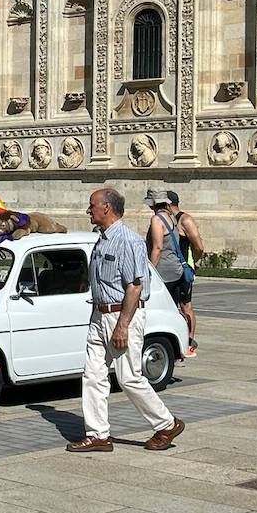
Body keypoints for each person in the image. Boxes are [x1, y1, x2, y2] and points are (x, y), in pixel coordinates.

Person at [68, 187, 184, 453]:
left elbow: (135, 286)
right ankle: (98, 434)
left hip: (122, 314)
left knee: (129, 377)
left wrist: (122, 325)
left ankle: (166, 423)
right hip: (99, 314)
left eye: (92, 205)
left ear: (106, 207)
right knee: (93, 375)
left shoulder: (128, 240)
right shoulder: (102, 239)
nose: (88, 210)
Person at [148, 190, 204, 357]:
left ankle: (187, 341)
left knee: (183, 306)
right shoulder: (172, 219)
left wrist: (194, 263)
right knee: (179, 306)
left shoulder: (182, 219)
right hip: (178, 268)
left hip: (175, 270)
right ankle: (182, 341)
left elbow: (199, 246)